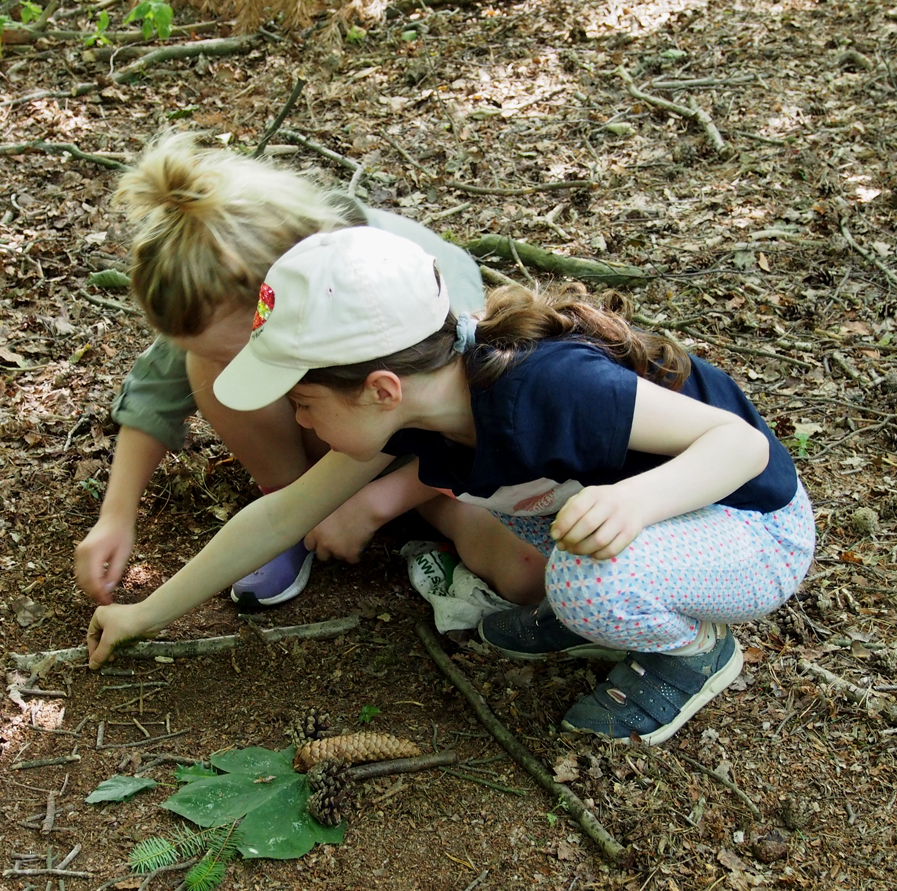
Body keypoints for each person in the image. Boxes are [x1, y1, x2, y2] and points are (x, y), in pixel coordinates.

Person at [84, 227, 815, 745]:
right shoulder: (415, 414)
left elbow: (741, 446)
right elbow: (282, 515)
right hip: (647, 528)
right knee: (555, 543)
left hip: (751, 528)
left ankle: (689, 650)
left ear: (379, 387)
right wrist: (146, 613)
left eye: (302, 402)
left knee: (586, 579)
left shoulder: (550, 389)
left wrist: (635, 501)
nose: (295, 417)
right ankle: (596, 605)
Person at [74, 133, 546, 611]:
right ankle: (294, 508)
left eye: (242, 348)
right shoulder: (222, 297)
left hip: (430, 456)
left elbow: (471, 420)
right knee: (206, 364)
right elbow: (156, 392)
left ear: (273, 298)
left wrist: (378, 501)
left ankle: (339, 509)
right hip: (344, 445)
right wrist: (116, 515)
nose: (230, 358)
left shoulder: (408, 288)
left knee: (526, 569)